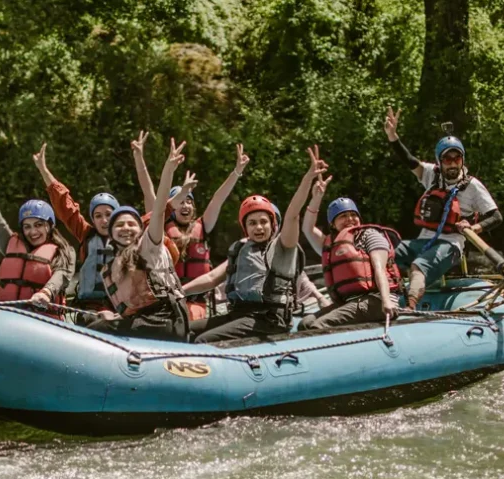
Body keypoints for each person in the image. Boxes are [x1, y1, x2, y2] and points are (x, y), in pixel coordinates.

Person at [182, 147, 327, 343]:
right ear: (245, 228)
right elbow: (211, 278)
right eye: (252, 223)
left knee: (203, 340)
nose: (258, 227)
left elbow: (293, 213)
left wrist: (308, 177)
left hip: (268, 319)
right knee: (184, 330)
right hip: (239, 314)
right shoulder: (241, 249)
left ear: (272, 224)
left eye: (263, 222)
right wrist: (179, 291)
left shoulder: (283, 247)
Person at [384, 107, 503, 308]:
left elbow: (496, 216)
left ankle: (409, 309)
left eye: (457, 158)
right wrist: (393, 137)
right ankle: (379, 296)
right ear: (440, 161)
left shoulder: (472, 186)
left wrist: (474, 228)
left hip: (450, 246)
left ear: (462, 160)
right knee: (387, 254)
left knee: (418, 267)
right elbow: (409, 161)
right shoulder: (432, 174)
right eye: (447, 159)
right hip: (423, 241)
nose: (452, 164)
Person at [131, 131, 251, 320]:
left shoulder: (203, 225)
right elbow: (148, 191)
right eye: (180, 201)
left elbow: (218, 199)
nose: (185, 205)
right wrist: (139, 158)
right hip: (166, 298)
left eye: (189, 201)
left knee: (187, 317)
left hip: (195, 301)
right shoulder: (160, 225)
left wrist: (237, 171)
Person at [84, 139, 190, 341]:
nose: (125, 229)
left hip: (166, 319)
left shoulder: (149, 244)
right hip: (145, 321)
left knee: (96, 332)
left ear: (140, 230)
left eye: (131, 224)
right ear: (112, 233)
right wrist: (115, 315)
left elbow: (158, 210)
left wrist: (169, 169)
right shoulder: (113, 264)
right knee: (98, 324)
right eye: (119, 225)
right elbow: (133, 309)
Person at [299, 160, 403, 329]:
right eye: (343, 216)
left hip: (376, 300)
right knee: (305, 323)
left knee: (318, 326)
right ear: (333, 224)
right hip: (351, 303)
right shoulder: (332, 245)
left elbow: (379, 269)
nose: (350, 220)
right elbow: (307, 228)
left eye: (352, 215)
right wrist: (316, 198)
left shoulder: (369, 235)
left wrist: (385, 301)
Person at [0, 158, 75, 317]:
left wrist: (46, 293)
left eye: (38, 225)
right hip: (9, 317)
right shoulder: (11, 243)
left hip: (45, 320)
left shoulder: (64, 251)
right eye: (27, 226)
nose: (33, 231)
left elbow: (61, 276)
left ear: (49, 225)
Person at [30, 142, 119, 312]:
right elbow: (65, 206)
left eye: (109, 214)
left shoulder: (130, 237)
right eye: (98, 216)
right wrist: (43, 169)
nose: (104, 220)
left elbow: (156, 217)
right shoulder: (86, 234)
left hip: (116, 308)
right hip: (88, 307)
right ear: (92, 219)